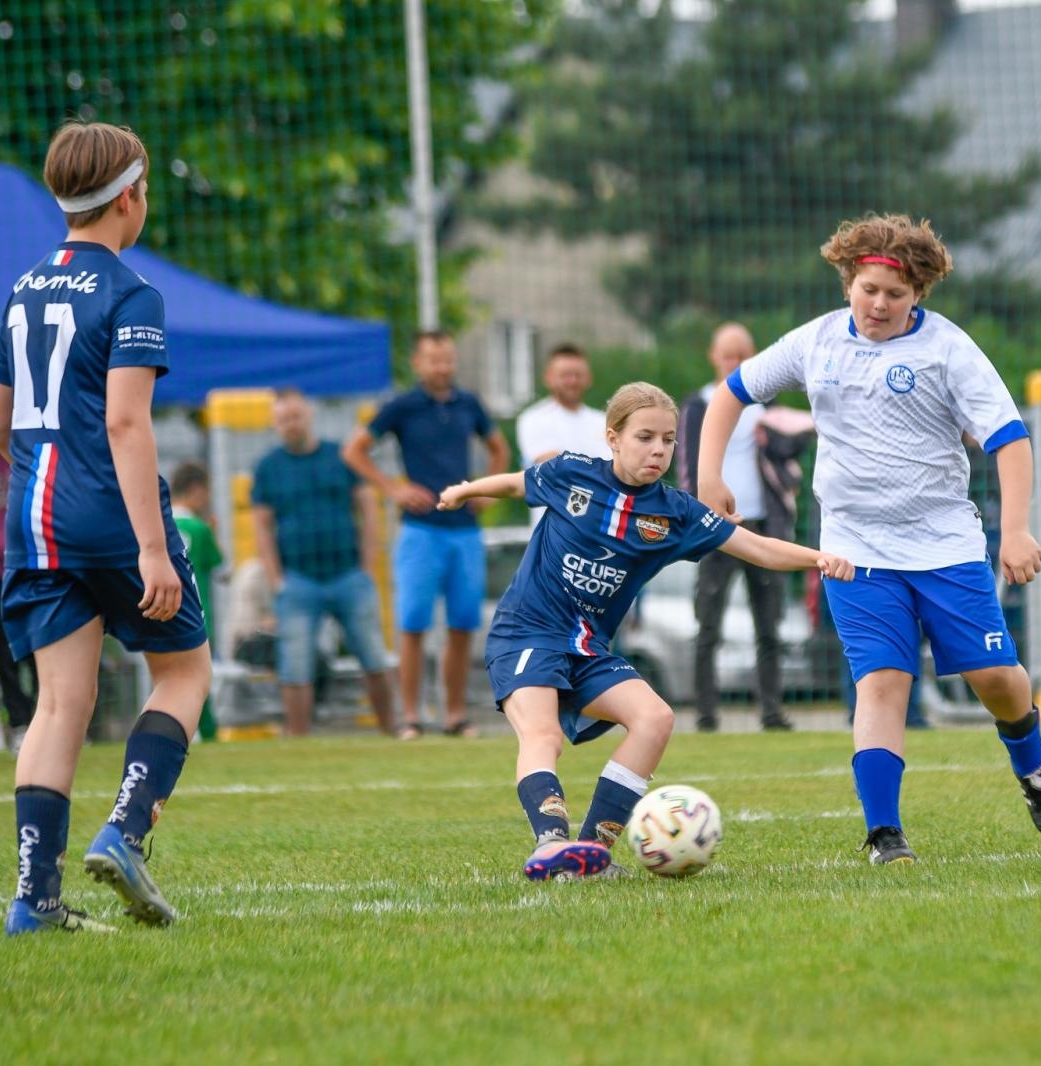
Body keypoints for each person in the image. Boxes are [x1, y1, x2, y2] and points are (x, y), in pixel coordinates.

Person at [697, 213, 1041, 866]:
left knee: (996, 680)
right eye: (869, 289)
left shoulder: (948, 350)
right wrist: (707, 477)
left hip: (946, 547)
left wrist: (1014, 531)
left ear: (918, 295)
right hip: (856, 552)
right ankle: (884, 835)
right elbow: (732, 394)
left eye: (894, 295)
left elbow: (1009, 436)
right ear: (848, 283)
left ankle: (1034, 765)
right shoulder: (815, 343)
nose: (879, 304)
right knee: (881, 682)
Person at [437, 382, 854, 881]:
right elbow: (517, 483)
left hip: (588, 647)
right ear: (613, 438)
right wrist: (467, 489)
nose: (658, 449)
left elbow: (757, 547)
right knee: (543, 733)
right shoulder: (571, 473)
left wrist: (820, 559)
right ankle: (551, 841)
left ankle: (589, 854)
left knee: (654, 718)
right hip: (526, 633)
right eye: (645, 437)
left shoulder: (677, 512)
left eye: (669, 440)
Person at [0, 121, 213, 934]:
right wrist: (152, 546)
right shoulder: (131, 292)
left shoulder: (21, 290)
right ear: (130, 196)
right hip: (108, 512)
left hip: (33, 519)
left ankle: (35, 903)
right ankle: (125, 829)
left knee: (60, 705)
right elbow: (127, 424)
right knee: (184, 673)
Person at [343, 332, 511, 739]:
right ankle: (412, 716)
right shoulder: (402, 406)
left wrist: (485, 488)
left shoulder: (469, 404)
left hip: (465, 532)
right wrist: (394, 488)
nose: (442, 368)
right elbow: (354, 451)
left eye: (448, 359)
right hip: (420, 531)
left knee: (462, 624)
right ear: (418, 363)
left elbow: (499, 449)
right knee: (413, 624)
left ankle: (455, 714)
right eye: (433, 360)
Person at [253, 389, 398, 737]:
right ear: (275, 424)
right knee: (295, 665)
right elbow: (262, 528)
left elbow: (367, 509)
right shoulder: (268, 468)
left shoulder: (341, 457)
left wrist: (367, 565)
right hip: (298, 580)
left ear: (310, 415)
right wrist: (277, 581)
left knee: (374, 657)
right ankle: (298, 742)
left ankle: (392, 732)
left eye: (296, 416)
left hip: (349, 574)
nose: (291, 424)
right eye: (284, 419)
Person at [677, 323, 791, 732]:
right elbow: (687, 465)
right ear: (713, 356)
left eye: (742, 355)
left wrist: (774, 440)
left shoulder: (769, 405)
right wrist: (696, 519)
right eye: (728, 355)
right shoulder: (698, 405)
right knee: (708, 624)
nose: (734, 362)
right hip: (715, 528)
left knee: (769, 626)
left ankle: (772, 711)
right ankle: (706, 714)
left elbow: (794, 449)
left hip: (763, 527)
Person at [0, 442, 40, 749]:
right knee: (5, 647)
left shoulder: (34, 447)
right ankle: (20, 723)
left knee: (42, 642)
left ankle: (49, 721)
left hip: (36, 559)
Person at [170, 461, 222, 741]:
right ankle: (208, 733)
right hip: (197, 617)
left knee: (167, 678)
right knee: (200, 677)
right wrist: (213, 532)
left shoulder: (160, 524)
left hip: (161, 613)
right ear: (196, 490)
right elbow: (223, 571)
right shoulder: (200, 529)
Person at [515, 343, 610, 467]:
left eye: (578, 375)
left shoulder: (603, 421)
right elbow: (553, 467)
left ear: (588, 378)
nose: (573, 381)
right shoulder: (533, 419)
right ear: (549, 378)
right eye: (565, 375)